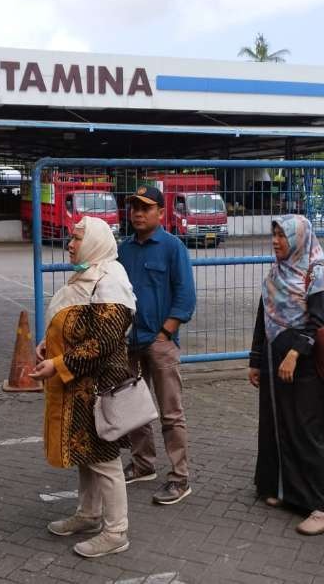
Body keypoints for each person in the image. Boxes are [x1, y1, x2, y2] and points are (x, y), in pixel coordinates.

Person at [30, 216, 137, 558]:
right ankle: (89, 515)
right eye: (70, 238)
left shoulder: (110, 283)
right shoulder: (88, 276)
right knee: (84, 455)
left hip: (99, 388)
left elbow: (102, 343)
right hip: (77, 386)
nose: (70, 245)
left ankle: (116, 531)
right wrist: (50, 344)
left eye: (77, 239)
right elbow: (78, 327)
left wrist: (57, 364)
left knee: (104, 460)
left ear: (94, 243)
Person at [247, 215, 324, 536]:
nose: (276, 241)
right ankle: (289, 492)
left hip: (303, 363)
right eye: (274, 235)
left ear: (299, 238)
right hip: (273, 355)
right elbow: (264, 313)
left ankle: (323, 506)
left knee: (308, 429)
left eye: (282, 236)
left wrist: (294, 354)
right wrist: (255, 359)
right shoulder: (278, 270)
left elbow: (320, 320)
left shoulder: (315, 272)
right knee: (279, 425)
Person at [117, 184, 197, 505]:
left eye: (145, 208)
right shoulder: (124, 250)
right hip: (129, 343)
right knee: (133, 410)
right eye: (134, 207)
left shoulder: (172, 247)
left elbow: (185, 297)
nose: (137, 213)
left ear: (160, 214)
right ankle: (142, 464)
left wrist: (165, 333)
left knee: (170, 413)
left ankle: (180, 477)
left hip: (159, 342)